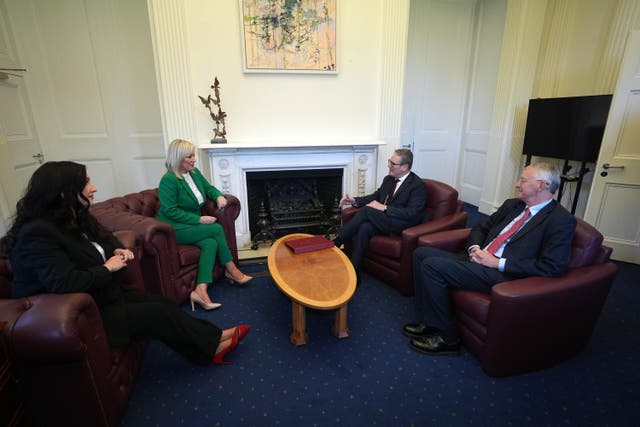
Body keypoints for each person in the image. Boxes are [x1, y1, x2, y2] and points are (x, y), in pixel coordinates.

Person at [0, 161, 249, 365]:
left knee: (160, 301)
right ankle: (210, 349)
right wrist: (108, 267)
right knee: (157, 313)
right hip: (79, 313)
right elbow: (64, 282)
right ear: (65, 192)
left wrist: (116, 249)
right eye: (86, 182)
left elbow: (105, 239)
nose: (94, 187)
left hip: (103, 296)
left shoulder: (74, 218)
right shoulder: (38, 234)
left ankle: (214, 337)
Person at [405, 162, 576, 355]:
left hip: (503, 274)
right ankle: (428, 322)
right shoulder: (513, 204)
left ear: (541, 186)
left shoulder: (560, 220)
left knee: (432, 266)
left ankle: (447, 338)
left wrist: (497, 262)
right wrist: (475, 248)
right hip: (479, 258)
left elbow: (553, 267)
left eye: (523, 180)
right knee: (420, 254)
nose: (517, 184)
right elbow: (481, 227)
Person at [157, 139, 252, 311]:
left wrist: (218, 196)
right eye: (190, 156)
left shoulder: (194, 173)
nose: (194, 159)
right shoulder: (169, 180)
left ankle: (200, 290)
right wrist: (198, 220)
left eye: (193, 155)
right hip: (173, 228)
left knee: (211, 243)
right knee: (216, 229)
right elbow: (170, 211)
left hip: (189, 225)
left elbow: (209, 188)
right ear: (178, 158)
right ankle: (230, 268)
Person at [334, 148, 427, 275]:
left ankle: (338, 241)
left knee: (367, 211)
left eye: (393, 163)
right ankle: (355, 270)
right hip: (385, 220)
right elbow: (376, 196)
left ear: (404, 167)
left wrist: (385, 208)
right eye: (389, 161)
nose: (388, 165)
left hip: (403, 225)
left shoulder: (417, 185)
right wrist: (354, 201)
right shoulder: (388, 179)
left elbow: (412, 213)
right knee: (365, 227)